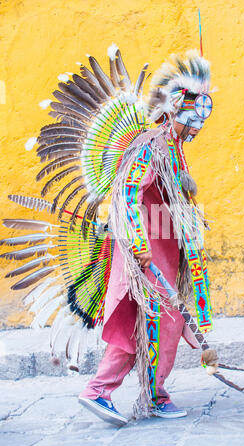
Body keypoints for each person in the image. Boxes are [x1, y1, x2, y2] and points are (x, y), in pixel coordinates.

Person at [78, 50, 214, 425]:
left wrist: (186, 190)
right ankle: (98, 390)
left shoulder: (173, 149)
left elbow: (166, 195)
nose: (197, 128)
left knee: (165, 324)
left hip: (164, 253)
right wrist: (139, 245)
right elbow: (127, 194)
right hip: (146, 255)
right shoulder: (151, 144)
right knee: (142, 324)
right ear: (176, 110)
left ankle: (154, 394)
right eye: (193, 118)